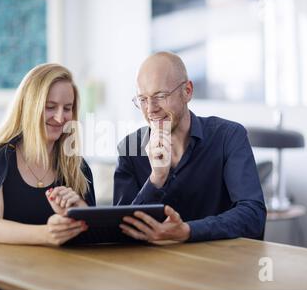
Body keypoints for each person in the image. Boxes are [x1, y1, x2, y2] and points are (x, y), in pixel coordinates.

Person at [0, 63, 95, 290]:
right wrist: (48, 233)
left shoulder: (78, 167)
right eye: (50, 107)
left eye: (68, 108)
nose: (60, 117)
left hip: (59, 282)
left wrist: (77, 211)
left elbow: (93, 240)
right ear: (29, 107)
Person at [114, 51, 266, 244]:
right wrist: (156, 179)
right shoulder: (129, 148)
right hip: (154, 267)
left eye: (160, 96)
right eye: (142, 99)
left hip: (220, 265)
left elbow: (253, 216)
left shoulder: (228, 137)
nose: (150, 109)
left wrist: (189, 231)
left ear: (187, 91)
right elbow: (120, 233)